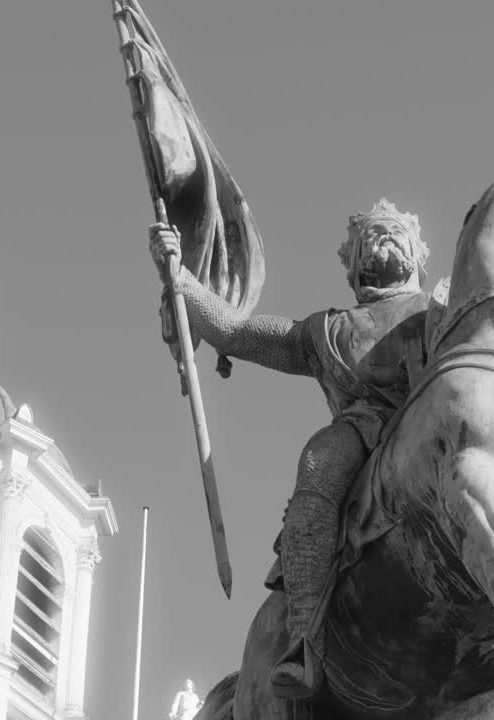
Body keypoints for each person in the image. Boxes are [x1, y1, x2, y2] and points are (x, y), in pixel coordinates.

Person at [150, 198, 431, 699]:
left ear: (418, 254)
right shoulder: (324, 332)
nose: (384, 237)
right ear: (354, 266)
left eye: (395, 231)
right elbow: (237, 333)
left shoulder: (445, 311)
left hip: (436, 422)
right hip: (361, 433)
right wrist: (181, 279)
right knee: (317, 465)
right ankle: (305, 639)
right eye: (372, 233)